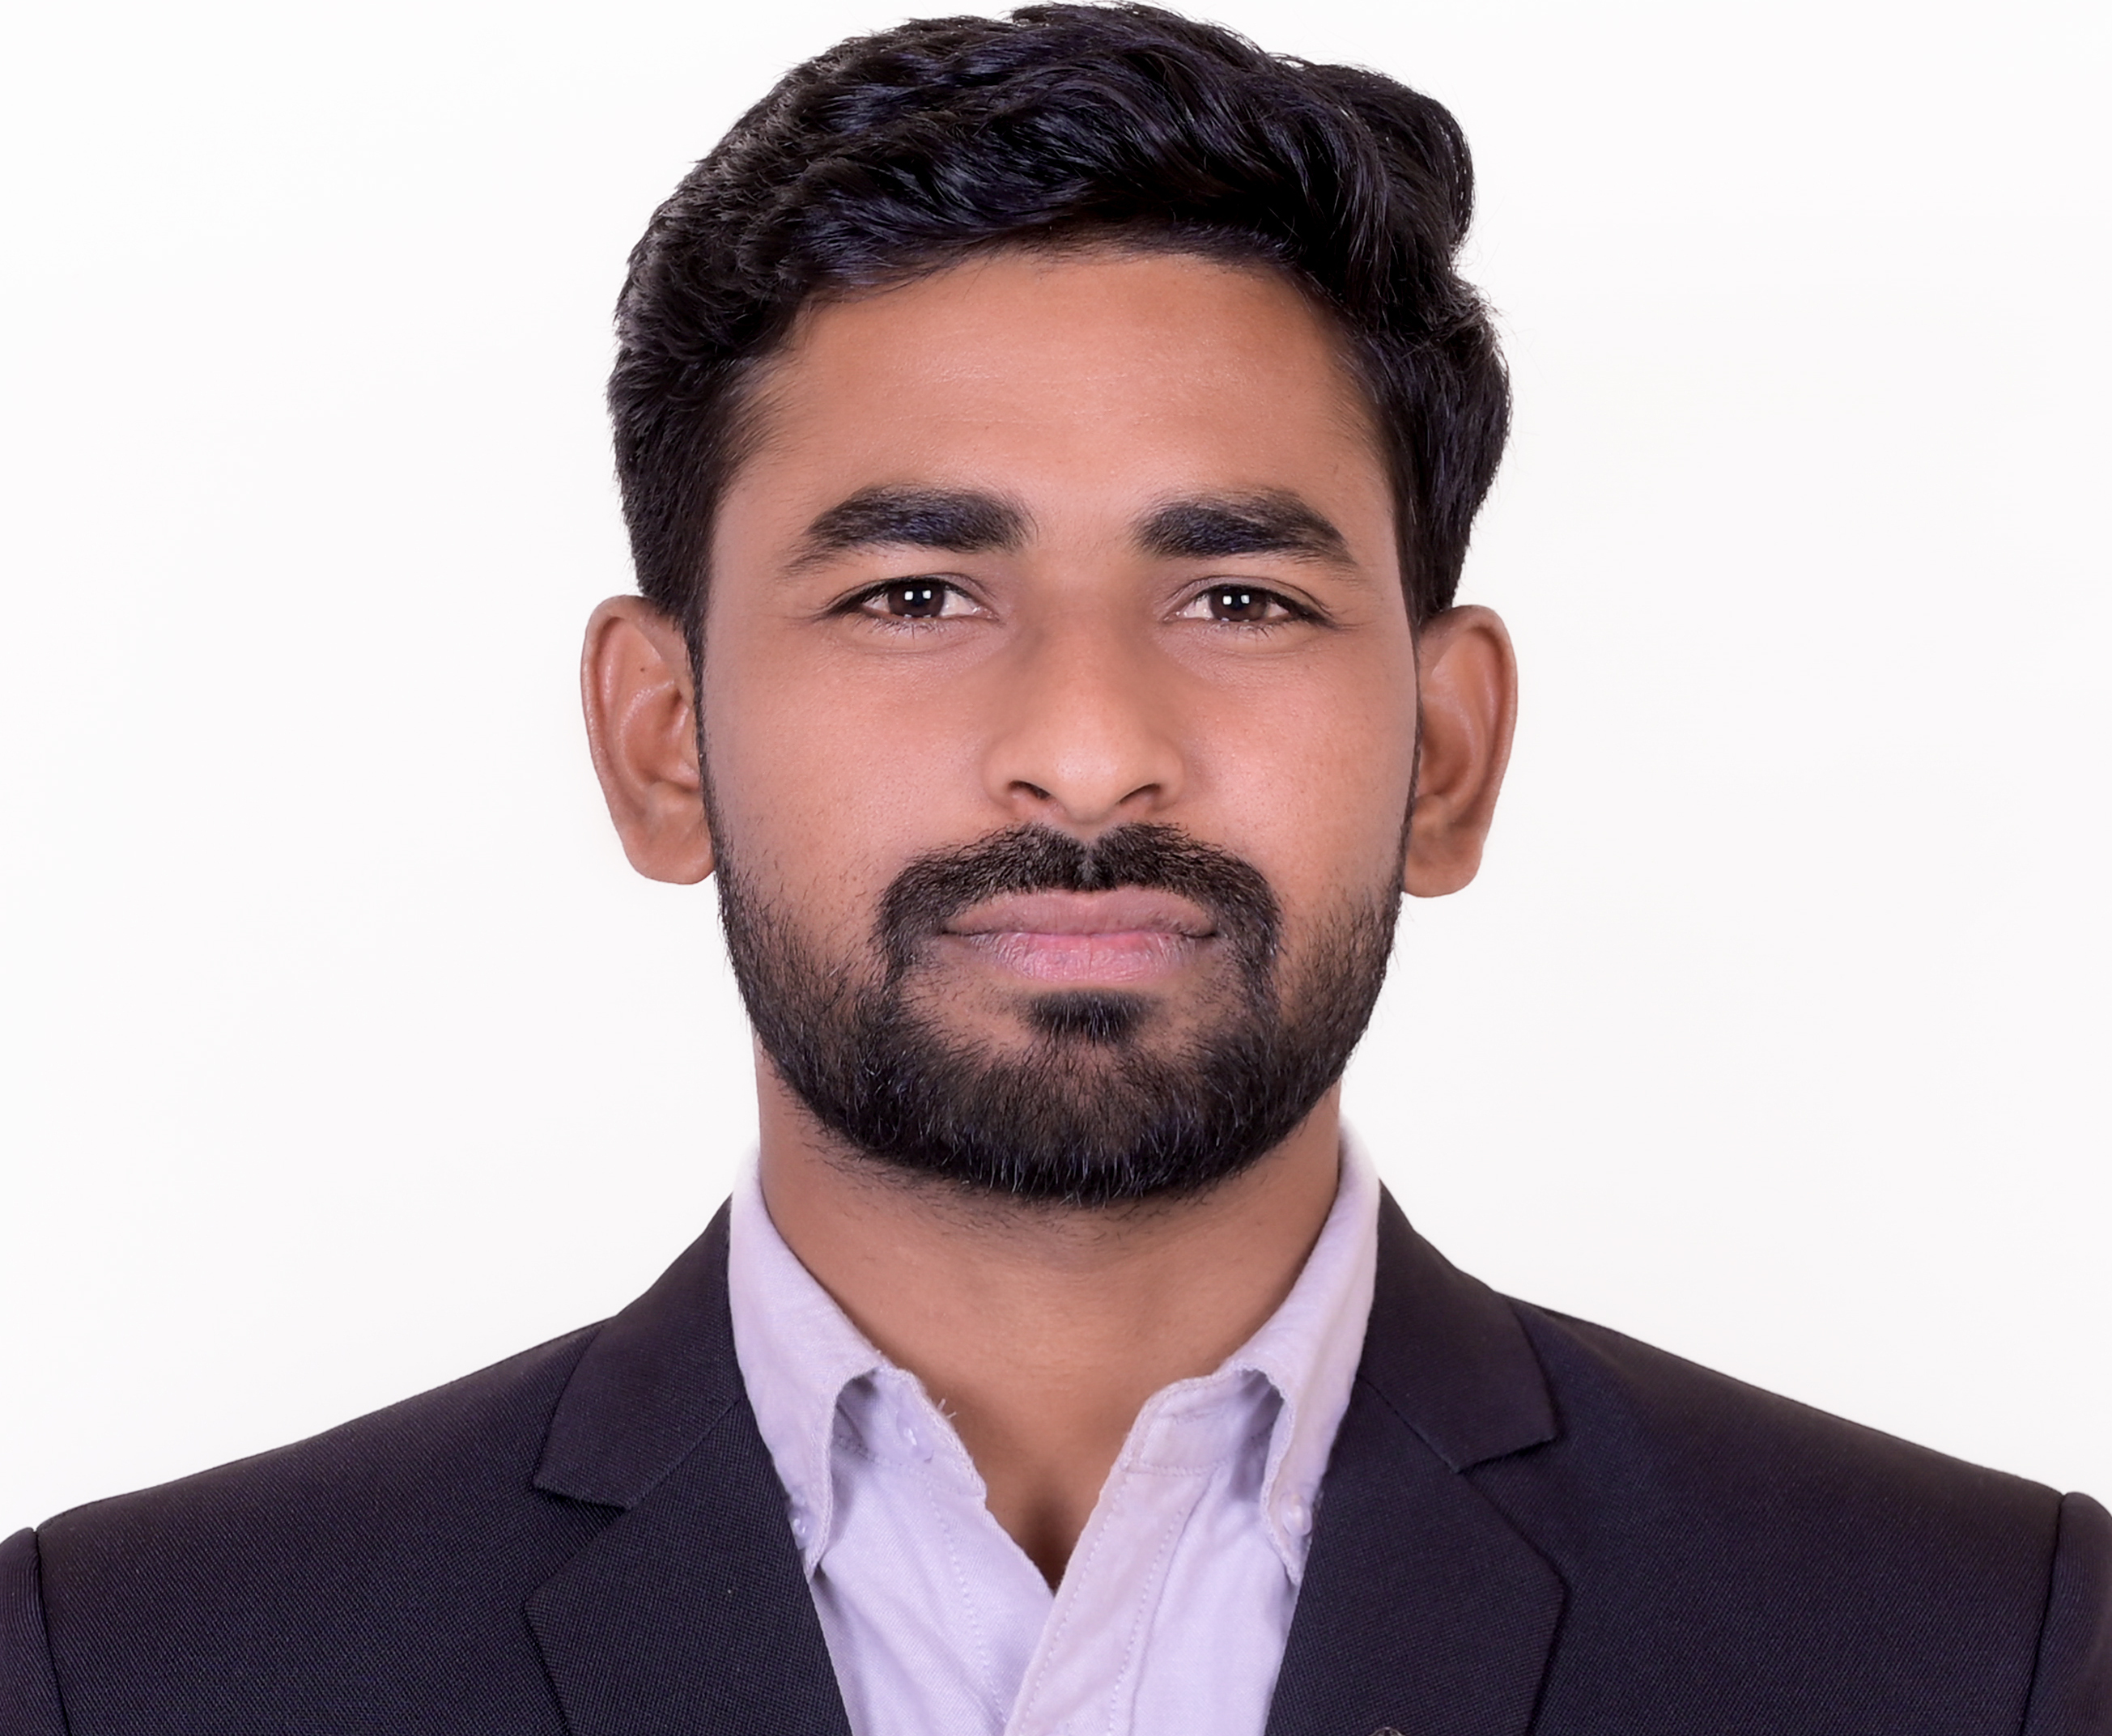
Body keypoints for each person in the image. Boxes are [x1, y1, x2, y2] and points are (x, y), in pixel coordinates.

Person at [2, 5, 2104, 1731]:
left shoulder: (1978, 1656)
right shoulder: (130, 1674)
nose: (1088, 747)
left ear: (1448, 755)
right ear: (661, 741)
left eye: (1241, 599)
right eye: (914, 594)